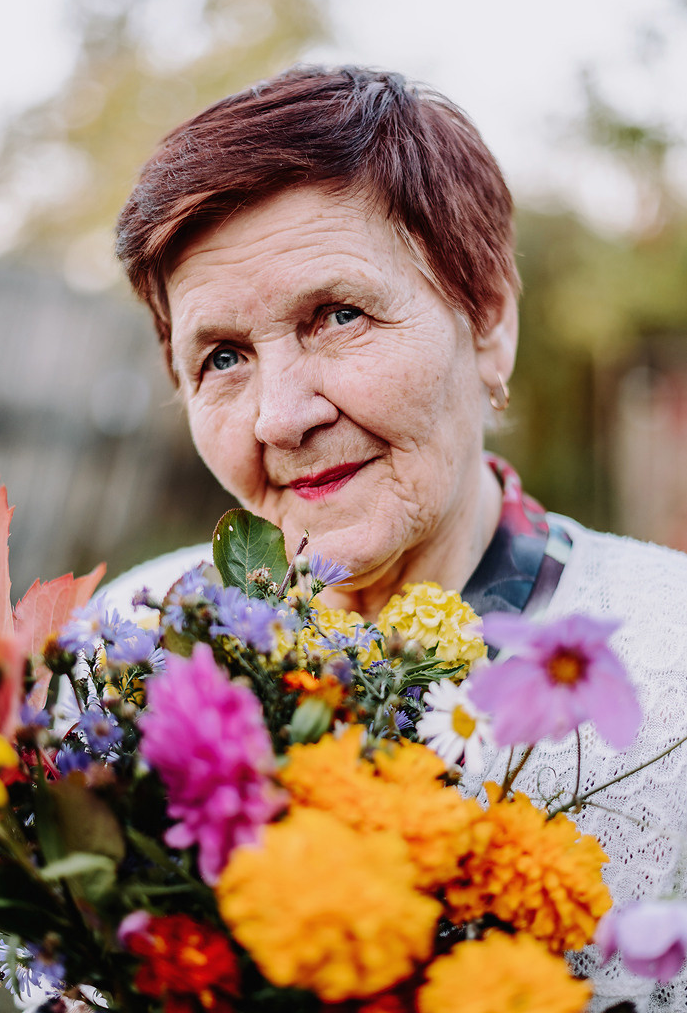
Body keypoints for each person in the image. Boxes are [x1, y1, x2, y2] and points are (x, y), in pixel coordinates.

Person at [113, 66, 687, 1012]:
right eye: (222, 357)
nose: (282, 416)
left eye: (338, 315)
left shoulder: (673, 655)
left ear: (488, 321)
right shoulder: (128, 641)